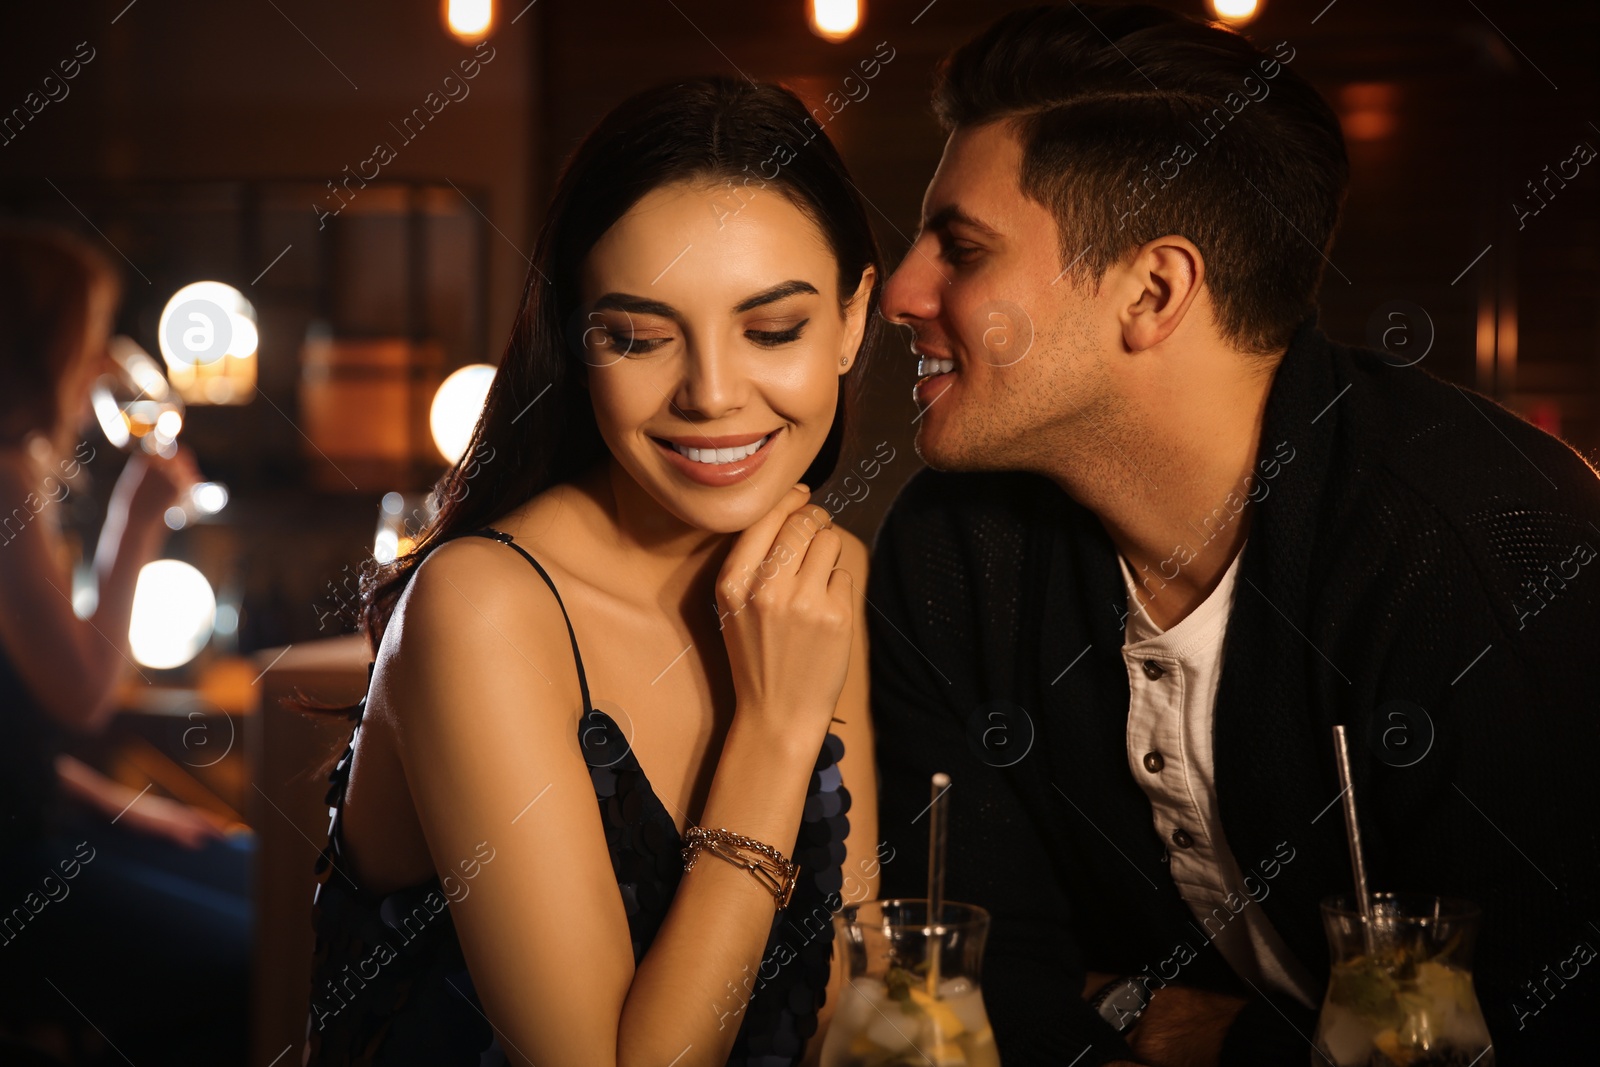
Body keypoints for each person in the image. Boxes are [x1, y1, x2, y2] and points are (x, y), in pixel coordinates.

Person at [867, 5, 1600, 1065]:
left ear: (1153, 291)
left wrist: (1218, 1034)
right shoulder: (950, 553)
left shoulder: (1486, 554)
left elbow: (1541, 1025)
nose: (902, 290)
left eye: (961, 247)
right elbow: (980, 998)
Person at [301, 77, 884, 1066]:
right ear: (579, 347)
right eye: (638, 337)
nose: (710, 394)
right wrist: (777, 730)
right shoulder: (479, 606)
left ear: (852, 320)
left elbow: (844, 1004)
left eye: (772, 329)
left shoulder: (811, 574)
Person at [0, 222, 253, 1065]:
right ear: (35, 353)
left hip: (44, 821)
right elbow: (83, 697)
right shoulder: (1, 478)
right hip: (18, 867)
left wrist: (125, 806)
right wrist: (138, 520)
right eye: (86, 340)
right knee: (255, 963)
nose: (100, 364)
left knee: (273, 883)